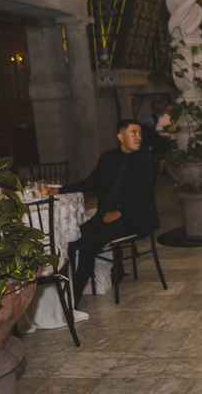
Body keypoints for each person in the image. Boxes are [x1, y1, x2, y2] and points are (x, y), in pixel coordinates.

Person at [50, 120, 159, 306]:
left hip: (134, 217)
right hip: (106, 215)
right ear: (120, 137)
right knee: (73, 239)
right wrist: (60, 191)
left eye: (140, 133)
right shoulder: (108, 157)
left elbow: (144, 194)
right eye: (133, 133)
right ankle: (70, 290)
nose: (139, 137)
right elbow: (91, 183)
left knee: (88, 246)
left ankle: (72, 300)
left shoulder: (146, 160)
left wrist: (120, 212)